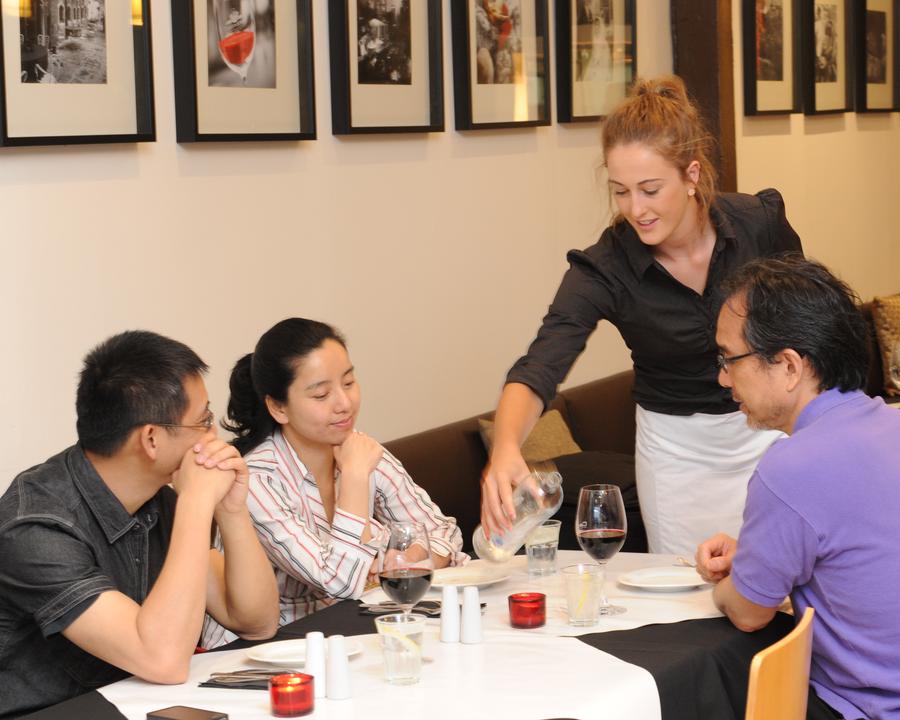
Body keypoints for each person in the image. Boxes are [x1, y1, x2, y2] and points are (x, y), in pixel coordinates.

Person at [482, 75, 803, 556]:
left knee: (786, 584)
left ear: (692, 175)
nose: (636, 209)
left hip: (771, 434)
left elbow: (813, 322)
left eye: (651, 189)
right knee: (690, 599)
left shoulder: (758, 225)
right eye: (621, 192)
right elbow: (542, 362)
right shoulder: (606, 269)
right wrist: (506, 447)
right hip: (677, 455)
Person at [695, 256, 900, 720]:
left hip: (882, 708)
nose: (722, 377)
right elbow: (873, 558)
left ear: (789, 366)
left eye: (729, 359)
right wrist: (755, 557)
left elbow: (748, 611)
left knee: (714, 686)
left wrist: (724, 587)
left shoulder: (791, 468)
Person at [0, 331, 279, 718]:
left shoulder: (158, 499)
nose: (215, 438)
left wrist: (230, 511)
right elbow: (163, 659)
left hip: (139, 705)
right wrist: (197, 502)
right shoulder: (35, 527)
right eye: (204, 422)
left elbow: (256, 621)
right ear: (150, 439)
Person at [210, 318, 466, 647]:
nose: (344, 403)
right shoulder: (258, 480)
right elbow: (339, 580)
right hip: (263, 652)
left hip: (347, 634)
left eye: (348, 382)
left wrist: (411, 559)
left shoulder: (359, 448)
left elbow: (443, 530)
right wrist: (355, 479)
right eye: (321, 394)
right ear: (278, 407)